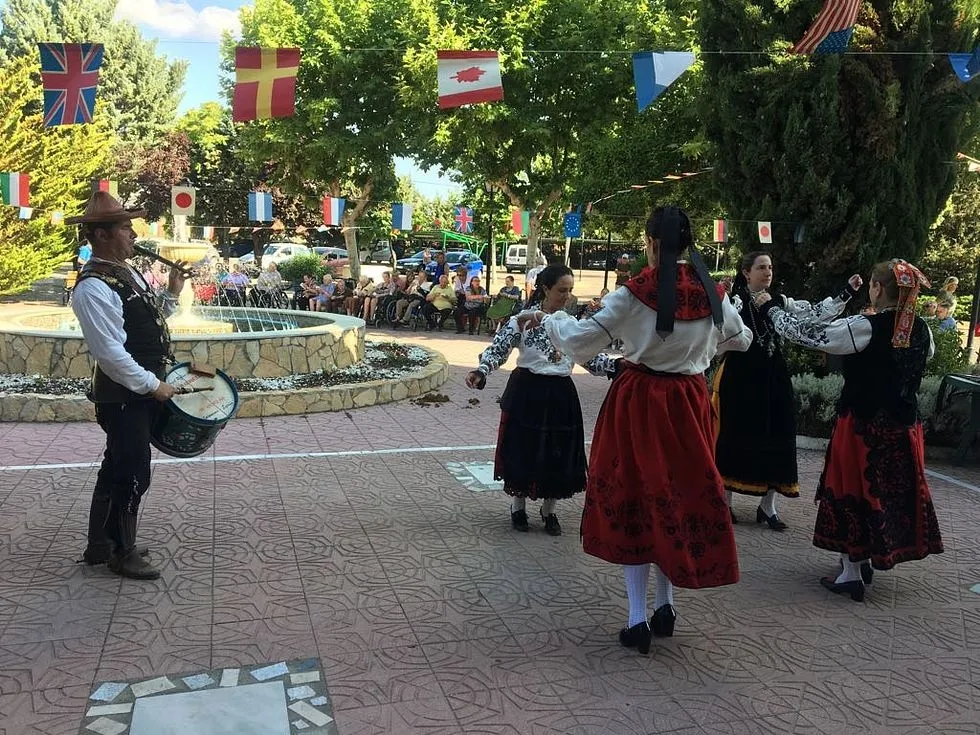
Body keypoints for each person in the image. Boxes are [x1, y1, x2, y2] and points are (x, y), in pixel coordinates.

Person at [518, 206, 752, 654]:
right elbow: (741, 338)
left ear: (650, 244)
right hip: (688, 402)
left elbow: (581, 342)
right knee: (676, 499)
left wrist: (548, 319)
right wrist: (697, 352)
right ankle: (665, 607)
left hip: (641, 403)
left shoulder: (634, 293)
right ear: (688, 244)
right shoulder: (713, 291)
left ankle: (637, 618)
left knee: (637, 499)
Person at [759, 260, 943, 602]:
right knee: (887, 493)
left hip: (864, 425)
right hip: (903, 427)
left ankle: (851, 572)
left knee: (853, 489)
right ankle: (871, 556)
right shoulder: (921, 329)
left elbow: (808, 336)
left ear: (876, 287)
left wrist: (771, 311)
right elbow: (921, 359)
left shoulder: (864, 327)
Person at [68, 191, 188, 580]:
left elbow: (150, 320)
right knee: (133, 470)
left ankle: (100, 545)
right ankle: (123, 552)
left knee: (116, 464)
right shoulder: (92, 287)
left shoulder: (126, 272)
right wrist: (154, 386)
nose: (133, 234)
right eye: (124, 227)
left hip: (136, 391)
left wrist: (171, 291)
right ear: (101, 235)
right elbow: (111, 355)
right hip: (123, 395)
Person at [713, 251, 861, 531]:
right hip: (739, 376)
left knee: (777, 434)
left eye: (770, 267)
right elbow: (718, 328)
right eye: (761, 267)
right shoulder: (734, 301)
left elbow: (815, 314)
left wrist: (846, 293)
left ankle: (767, 507)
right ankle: (725, 501)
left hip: (773, 376)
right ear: (747, 272)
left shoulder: (780, 302)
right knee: (733, 434)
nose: (768, 272)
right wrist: (723, 297)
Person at [466, 265, 591, 536]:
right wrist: (482, 370)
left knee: (558, 451)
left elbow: (588, 355)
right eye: (562, 290)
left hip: (560, 392)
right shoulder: (522, 319)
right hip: (527, 390)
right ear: (545, 288)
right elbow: (500, 347)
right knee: (523, 448)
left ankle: (550, 509)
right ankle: (518, 505)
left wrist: (618, 369)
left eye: (570, 290)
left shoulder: (570, 324)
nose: (567, 296)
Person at [451, 265, 469, 333]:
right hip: (461, 299)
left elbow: (468, 292)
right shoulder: (457, 279)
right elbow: (456, 290)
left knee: (457, 312)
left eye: (461, 275)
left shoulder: (469, 280)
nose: (460, 277)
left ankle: (461, 328)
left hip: (468, 300)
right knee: (456, 311)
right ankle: (460, 328)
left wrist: (462, 292)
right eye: (458, 275)